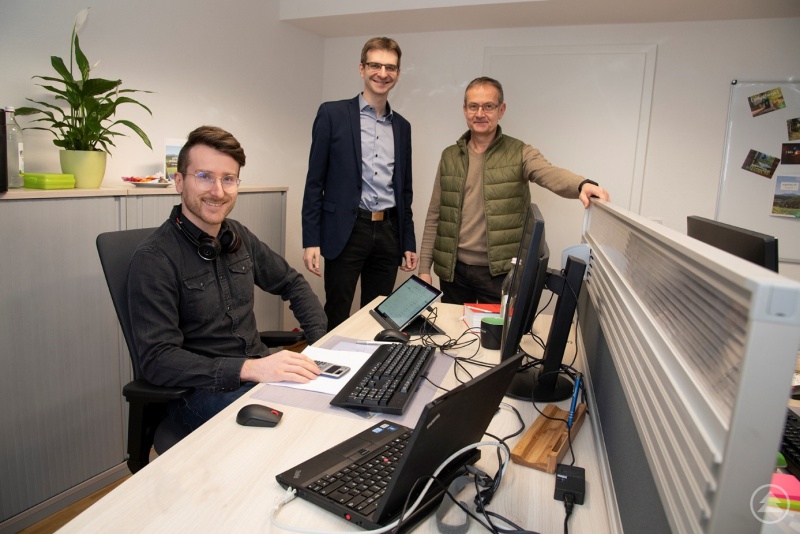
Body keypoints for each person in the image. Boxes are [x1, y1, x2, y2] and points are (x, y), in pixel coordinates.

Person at [128, 125, 327, 431]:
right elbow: (158, 360)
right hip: (199, 393)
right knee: (295, 427)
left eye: (228, 179)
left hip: (255, 376)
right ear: (179, 181)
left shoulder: (237, 235)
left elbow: (292, 283)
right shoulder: (154, 258)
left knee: (331, 406)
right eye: (204, 176)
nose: (218, 191)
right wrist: (250, 368)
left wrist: (319, 348)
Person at [418, 77, 610, 304]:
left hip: (499, 274)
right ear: (465, 110)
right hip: (453, 273)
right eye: (473, 106)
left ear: (501, 110)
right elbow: (435, 214)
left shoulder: (519, 152)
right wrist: (424, 269)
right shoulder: (449, 156)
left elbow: (548, 173)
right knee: (453, 327)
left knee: (497, 329)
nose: (480, 113)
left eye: (488, 106)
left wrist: (581, 184)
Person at [301, 36, 418, 331]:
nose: (382, 73)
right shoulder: (332, 114)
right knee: (337, 312)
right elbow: (314, 182)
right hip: (346, 230)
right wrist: (311, 240)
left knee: (379, 316)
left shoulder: (402, 127)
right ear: (362, 68)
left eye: (390, 67)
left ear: (398, 73)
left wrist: (408, 241)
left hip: (388, 232)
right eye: (375, 65)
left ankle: (374, 361)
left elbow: (404, 191)